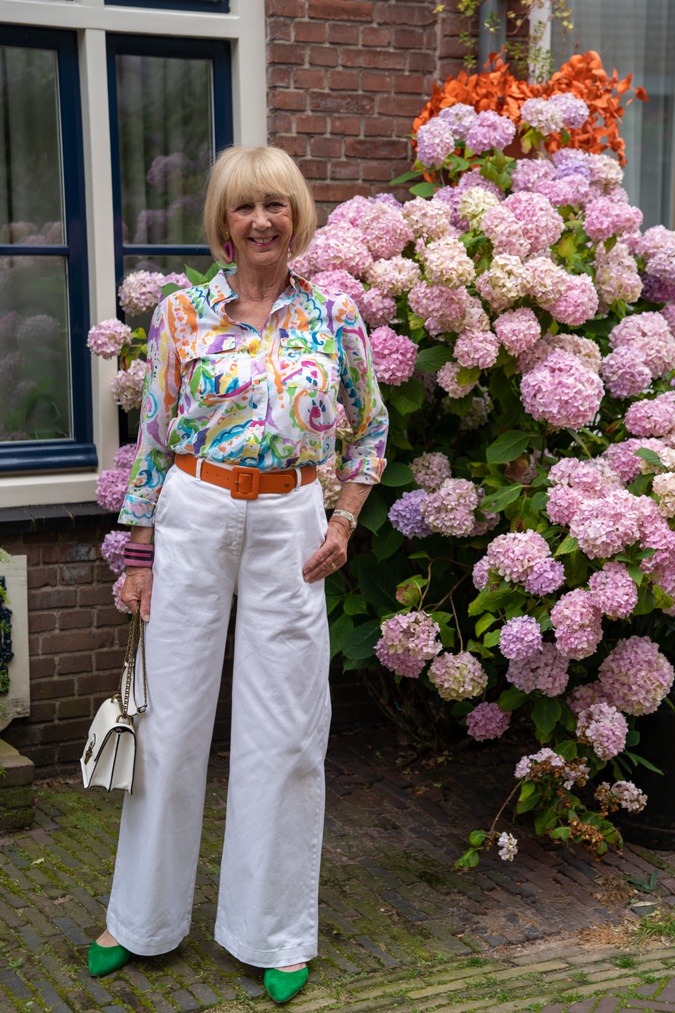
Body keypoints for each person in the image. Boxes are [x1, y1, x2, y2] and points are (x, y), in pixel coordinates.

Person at [88, 145, 388, 1005]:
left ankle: (275, 929)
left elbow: (368, 430)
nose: (262, 220)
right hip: (196, 511)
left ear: (296, 215)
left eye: (276, 204)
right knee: (171, 719)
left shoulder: (333, 314)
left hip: (294, 520)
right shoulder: (181, 315)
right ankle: (138, 917)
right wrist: (139, 551)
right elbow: (152, 436)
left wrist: (344, 517)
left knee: (287, 728)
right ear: (222, 222)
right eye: (244, 207)